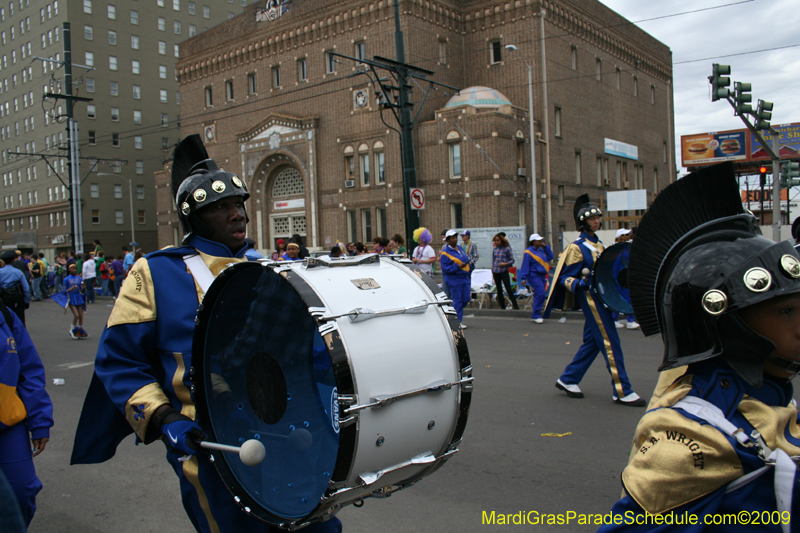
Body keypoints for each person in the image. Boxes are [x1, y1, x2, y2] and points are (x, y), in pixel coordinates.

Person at [71, 134, 342, 533]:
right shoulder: (155, 272)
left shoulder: (266, 269)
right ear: (193, 217)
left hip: (291, 436)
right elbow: (120, 362)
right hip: (212, 443)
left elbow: (302, 351)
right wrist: (165, 418)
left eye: (238, 204)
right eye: (219, 207)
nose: (237, 215)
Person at [597, 162, 800, 532]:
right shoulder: (694, 438)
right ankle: (613, 385)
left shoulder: (769, 391)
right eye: (786, 311)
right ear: (726, 321)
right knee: (602, 344)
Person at [546, 194, 644, 406]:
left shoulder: (598, 244)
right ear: (584, 222)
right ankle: (622, 390)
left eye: (598, 218)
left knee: (593, 342)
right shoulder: (577, 247)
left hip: (603, 298)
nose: (597, 221)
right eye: (592, 219)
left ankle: (568, 378)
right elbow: (564, 277)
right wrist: (579, 284)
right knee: (610, 342)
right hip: (591, 299)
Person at [0, 297, 54, 528]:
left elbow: (29, 370)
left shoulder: (6, 317)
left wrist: (40, 421)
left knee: (22, 491)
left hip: (7, 423)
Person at [440, 229, 471, 329]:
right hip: (454, 279)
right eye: (452, 238)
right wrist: (457, 266)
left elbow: (465, 259)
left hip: (465, 277)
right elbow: (445, 269)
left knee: (466, 299)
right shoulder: (445, 253)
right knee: (457, 300)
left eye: (455, 238)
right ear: (448, 240)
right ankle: (457, 321)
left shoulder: (460, 249)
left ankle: (452, 314)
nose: (455, 240)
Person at [519, 233, 553, 324]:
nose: (541, 242)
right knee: (540, 293)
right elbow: (525, 265)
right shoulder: (528, 252)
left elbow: (551, 257)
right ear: (533, 242)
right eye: (538, 241)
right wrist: (523, 278)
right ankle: (537, 315)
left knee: (540, 294)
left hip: (542, 275)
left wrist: (546, 247)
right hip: (534, 275)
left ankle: (535, 315)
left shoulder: (541, 251)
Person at [611, 228, 640, 330]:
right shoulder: (619, 250)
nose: (629, 235)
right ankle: (629, 321)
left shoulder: (627, 248)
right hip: (621, 279)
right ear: (621, 237)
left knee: (623, 299)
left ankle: (617, 319)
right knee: (625, 299)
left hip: (626, 277)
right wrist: (614, 279)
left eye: (629, 233)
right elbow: (615, 265)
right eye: (626, 234)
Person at [0, 250, 31, 325]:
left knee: (7, 316)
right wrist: (27, 300)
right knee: (20, 317)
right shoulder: (18, 272)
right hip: (17, 295)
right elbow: (26, 288)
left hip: (5, 295)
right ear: (13, 260)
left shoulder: (0, 272)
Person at [491, 233, 519, 310]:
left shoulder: (507, 249)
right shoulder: (495, 249)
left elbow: (512, 260)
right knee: (499, 289)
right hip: (496, 271)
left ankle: (515, 305)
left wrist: (505, 264)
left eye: (498, 240)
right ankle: (502, 307)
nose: (496, 242)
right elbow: (494, 259)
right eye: (495, 240)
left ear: (502, 241)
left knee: (508, 288)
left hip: (503, 271)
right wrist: (493, 268)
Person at [64, 263, 87, 339]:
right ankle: (72, 329)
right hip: (71, 298)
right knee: (76, 315)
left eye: (75, 269)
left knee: (81, 315)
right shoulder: (66, 279)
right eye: (72, 269)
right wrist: (70, 289)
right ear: (69, 269)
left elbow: (82, 290)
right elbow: (64, 291)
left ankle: (80, 330)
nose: (74, 270)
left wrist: (83, 287)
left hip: (78, 297)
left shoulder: (79, 278)